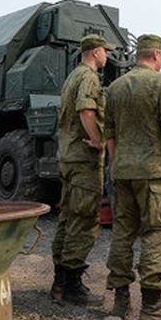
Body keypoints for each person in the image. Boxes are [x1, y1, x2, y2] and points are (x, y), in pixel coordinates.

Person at [104, 34, 161, 320]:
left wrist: (115, 164)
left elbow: (109, 133)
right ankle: (151, 309)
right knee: (156, 234)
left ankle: (120, 302)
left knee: (122, 234)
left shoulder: (115, 88)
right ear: (156, 55)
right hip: (152, 173)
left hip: (123, 173)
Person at [50, 33, 116, 306]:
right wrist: (98, 141)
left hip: (68, 156)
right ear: (95, 52)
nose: (107, 56)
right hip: (83, 159)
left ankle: (59, 284)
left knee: (68, 217)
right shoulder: (89, 78)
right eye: (105, 51)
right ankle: (72, 286)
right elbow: (86, 110)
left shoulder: (72, 77)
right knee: (85, 220)